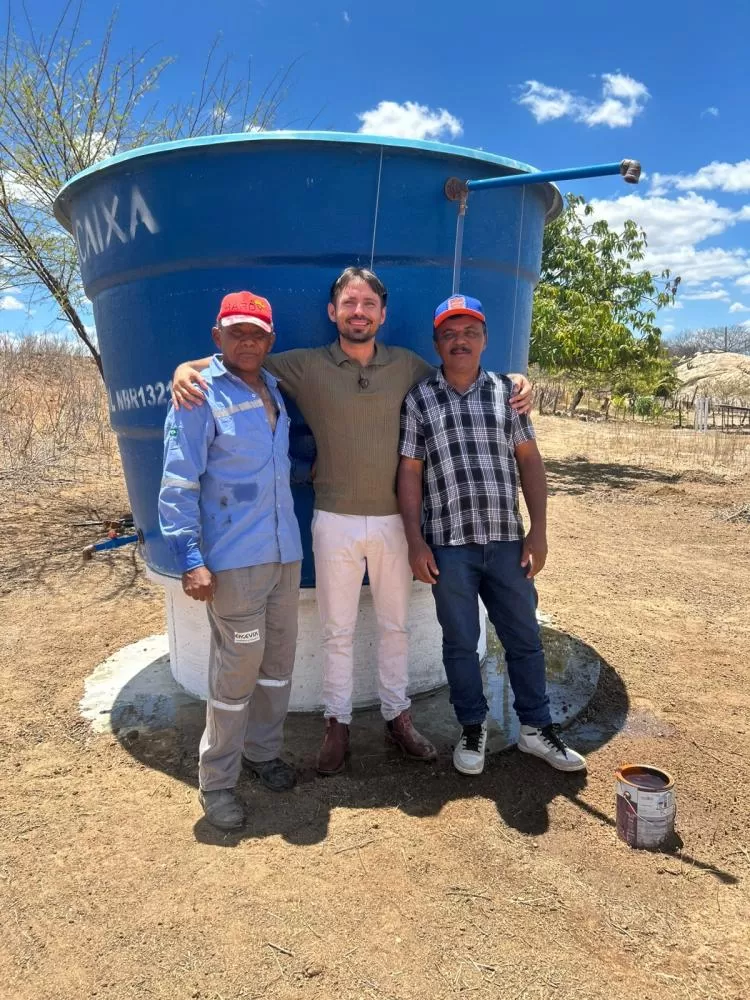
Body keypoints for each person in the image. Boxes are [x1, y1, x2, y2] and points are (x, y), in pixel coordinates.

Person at [171, 268, 533, 776]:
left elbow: (463, 373)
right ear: (332, 312)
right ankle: (336, 724)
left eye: (368, 304)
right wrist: (185, 369)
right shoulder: (304, 366)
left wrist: (517, 380)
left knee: (394, 627)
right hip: (333, 519)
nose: (358, 312)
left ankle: (397, 715)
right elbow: (239, 360)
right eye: (349, 303)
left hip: (394, 523)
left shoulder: (408, 365)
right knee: (337, 630)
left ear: (383, 314)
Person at [397, 295, 586, 776]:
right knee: (460, 643)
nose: (459, 341)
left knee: (524, 636)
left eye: (469, 332)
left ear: (484, 339)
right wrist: (416, 541)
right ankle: (473, 727)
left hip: (506, 541)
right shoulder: (420, 399)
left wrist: (538, 532)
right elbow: (409, 473)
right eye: (449, 333)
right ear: (437, 342)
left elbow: (530, 462)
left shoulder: (509, 393)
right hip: (448, 544)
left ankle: (535, 729)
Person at [159, 291, 303, 831]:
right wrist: (189, 557)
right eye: (236, 331)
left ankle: (262, 755)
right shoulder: (197, 395)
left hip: (284, 553)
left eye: (257, 333)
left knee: (277, 667)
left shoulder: (274, 388)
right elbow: (178, 482)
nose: (248, 340)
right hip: (233, 562)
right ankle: (218, 781)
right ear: (217, 336)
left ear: (270, 340)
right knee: (236, 671)